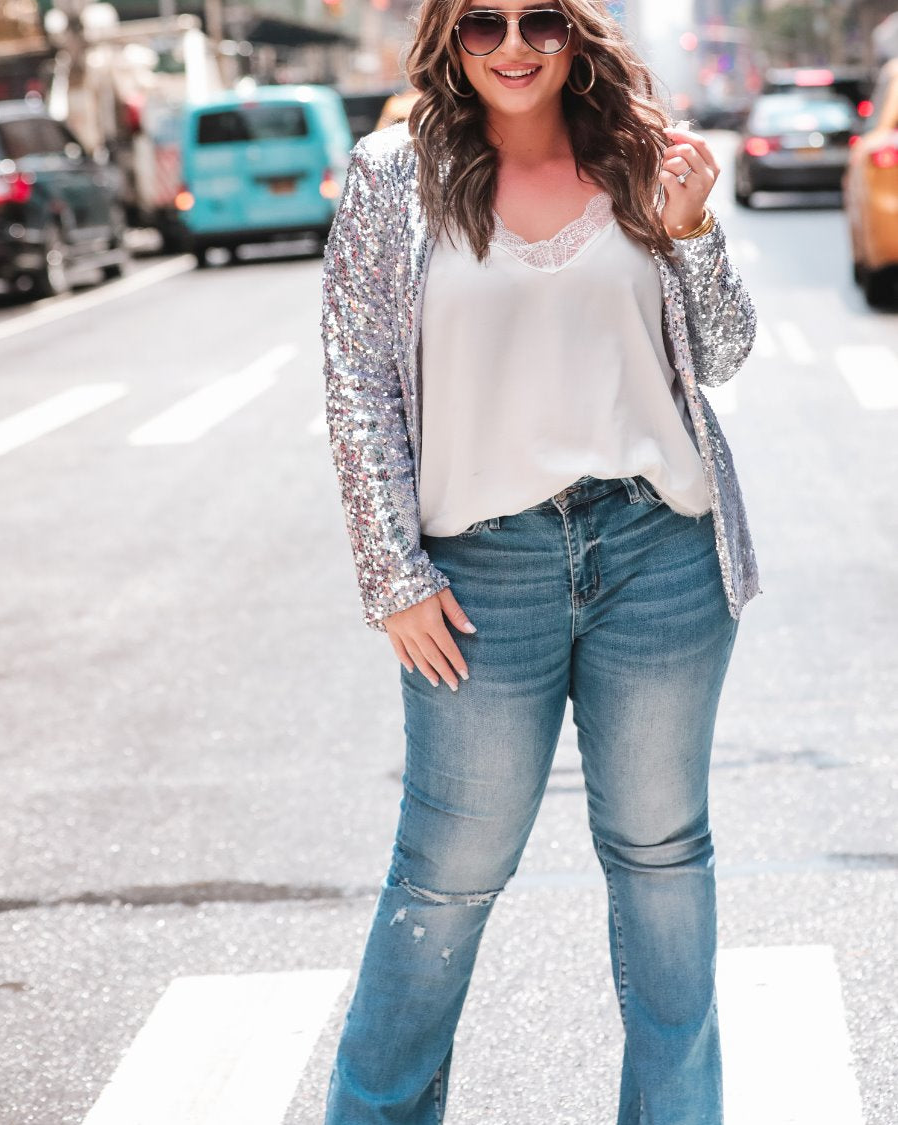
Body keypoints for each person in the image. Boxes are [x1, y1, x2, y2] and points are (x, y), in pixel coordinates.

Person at [320, 0, 759, 1120]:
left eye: (540, 19)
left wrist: (694, 228)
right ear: (447, 38)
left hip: (656, 550)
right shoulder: (389, 175)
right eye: (482, 22)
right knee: (446, 877)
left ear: (577, 33)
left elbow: (724, 352)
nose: (513, 45)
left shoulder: (639, 154)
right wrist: (394, 575)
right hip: (480, 575)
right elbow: (358, 381)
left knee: (663, 865)